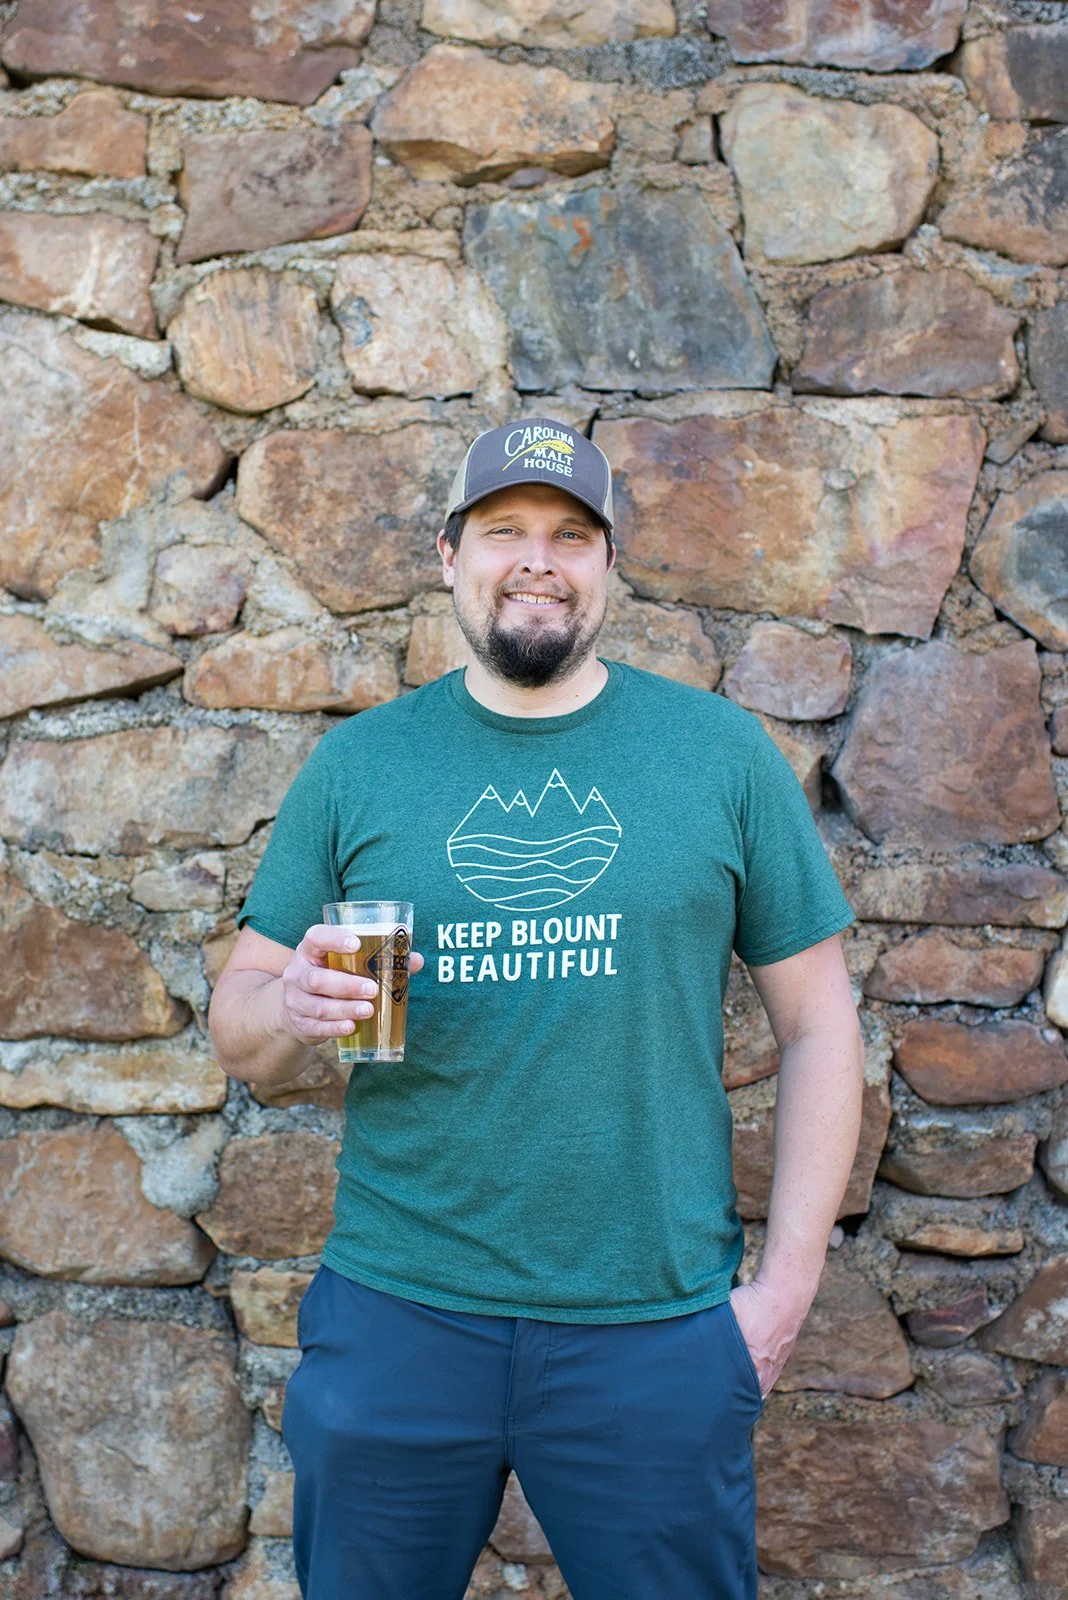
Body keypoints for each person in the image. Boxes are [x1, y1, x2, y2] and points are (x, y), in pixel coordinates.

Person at [209, 417, 864, 1600]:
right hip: (398, 1312)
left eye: (571, 535)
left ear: (608, 565)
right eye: (504, 529)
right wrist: (291, 1006)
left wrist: (782, 1298)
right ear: (450, 553)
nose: (537, 560)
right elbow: (240, 1025)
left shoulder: (717, 754)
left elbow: (820, 1025)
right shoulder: (362, 765)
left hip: (656, 1322)